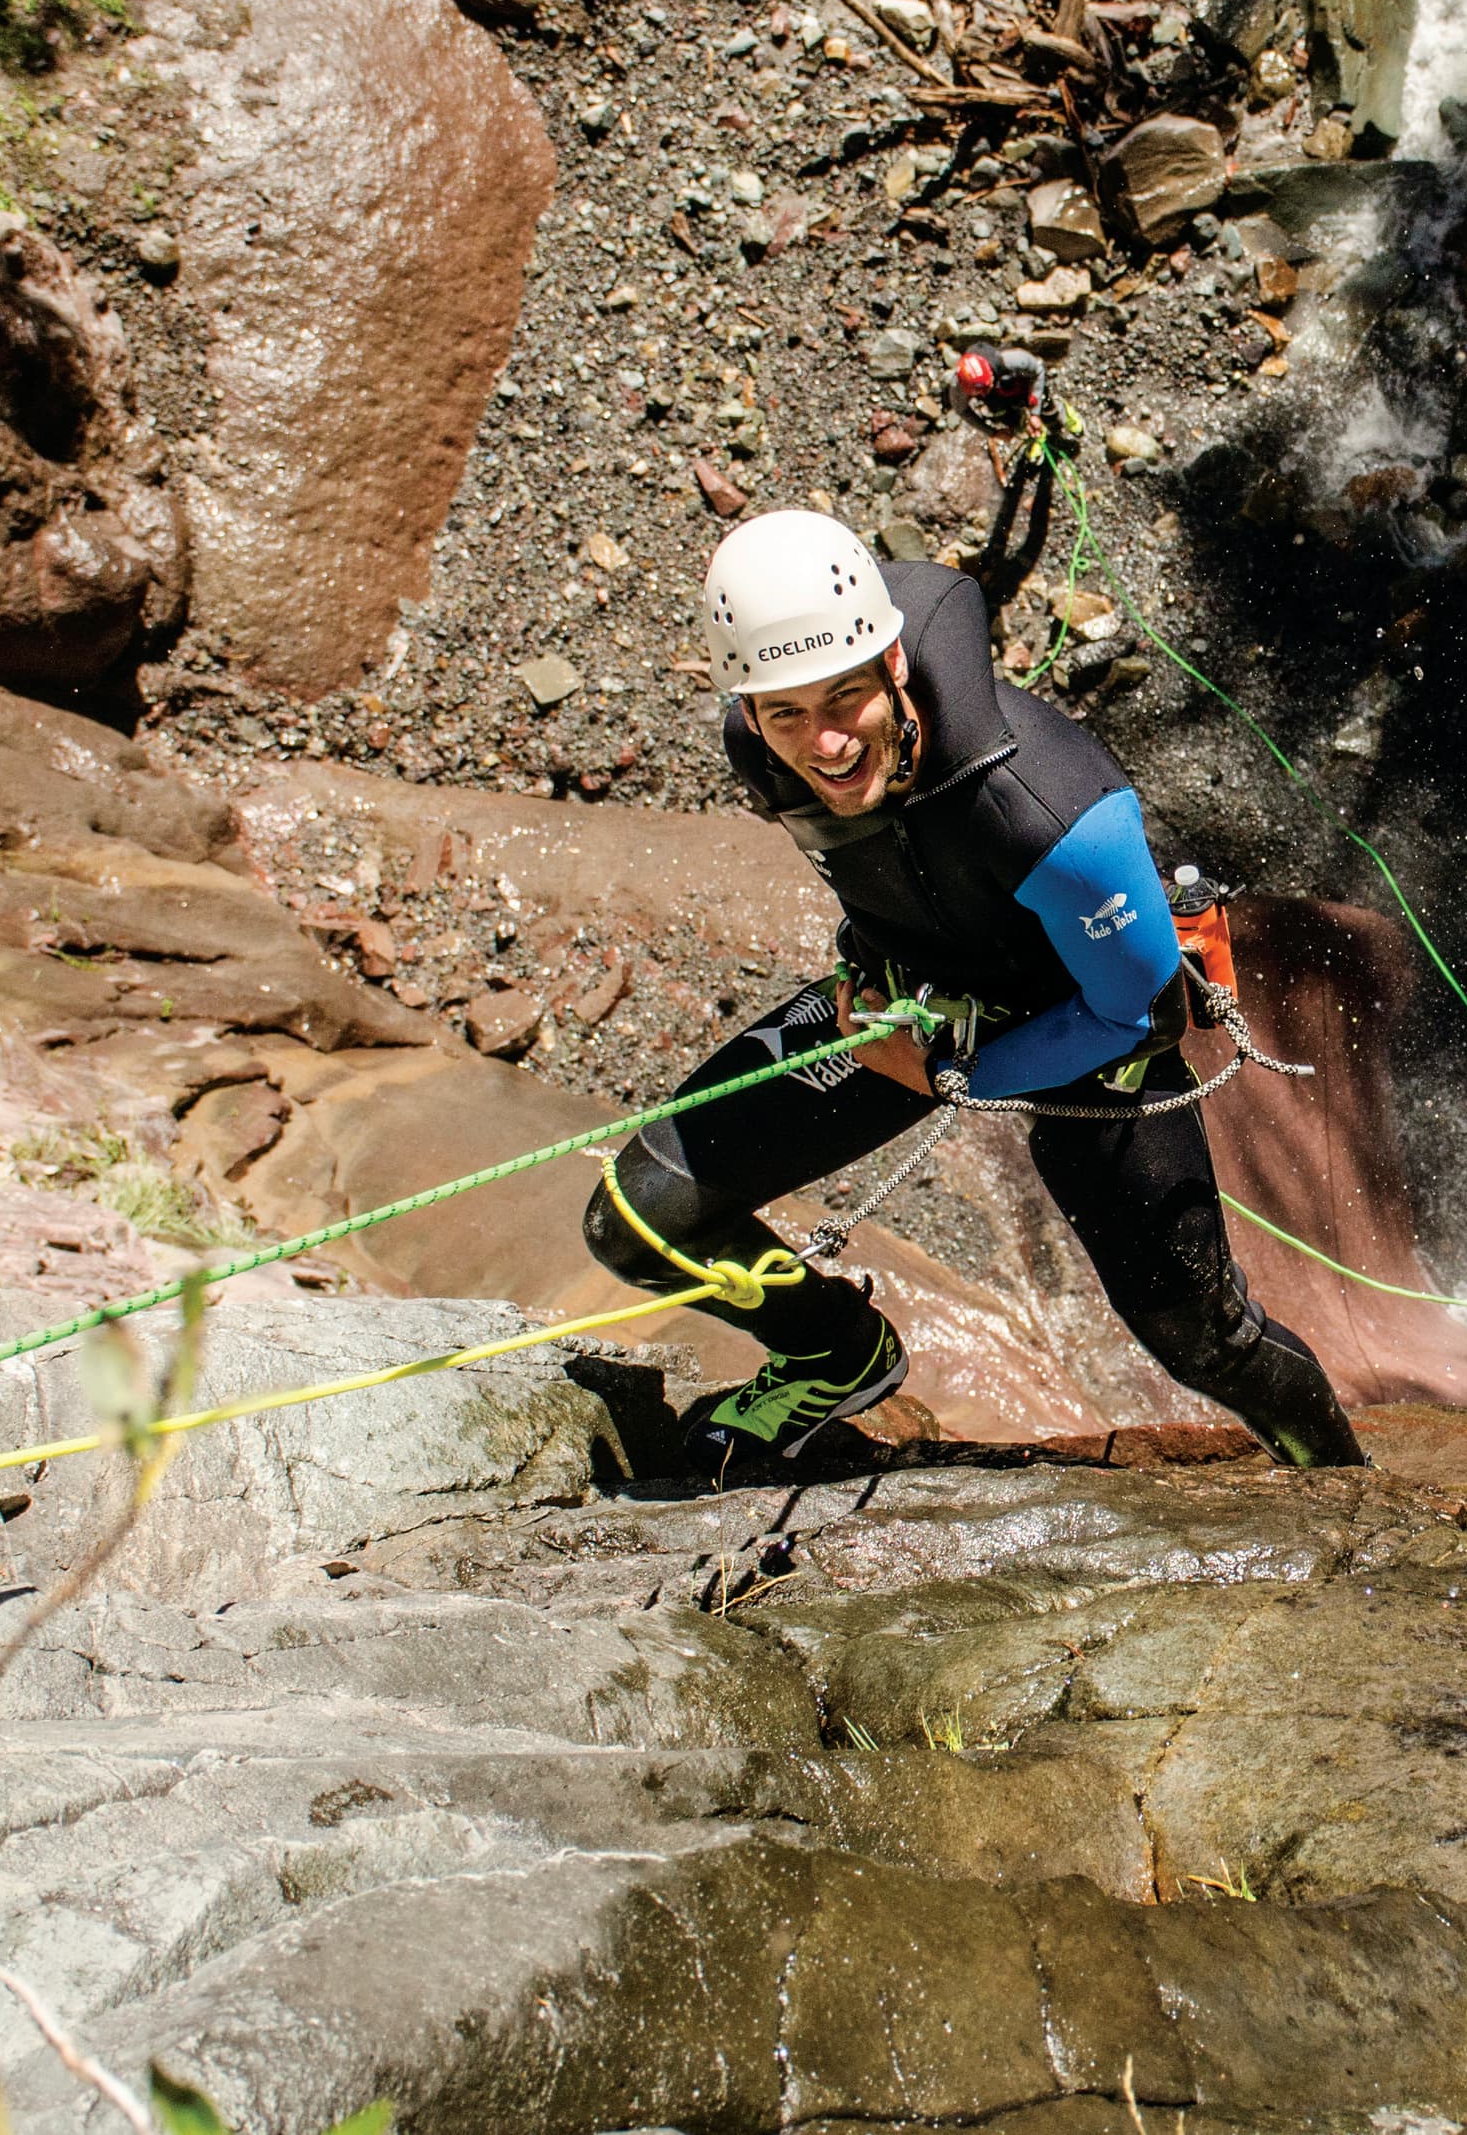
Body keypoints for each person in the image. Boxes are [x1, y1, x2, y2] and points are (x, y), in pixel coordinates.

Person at [576, 388, 1366, 1479]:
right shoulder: (759, 741)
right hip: (911, 998)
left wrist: (960, 1068)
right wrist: (908, 1019)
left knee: (1205, 1338)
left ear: (893, 667)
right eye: (785, 713)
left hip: (1097, 1040)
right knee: (639, 1216)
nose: (824, 744)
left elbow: (1136, 1003)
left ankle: (1349, 1493)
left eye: (841, 698)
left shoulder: (1045, 804)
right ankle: (837, 1357)